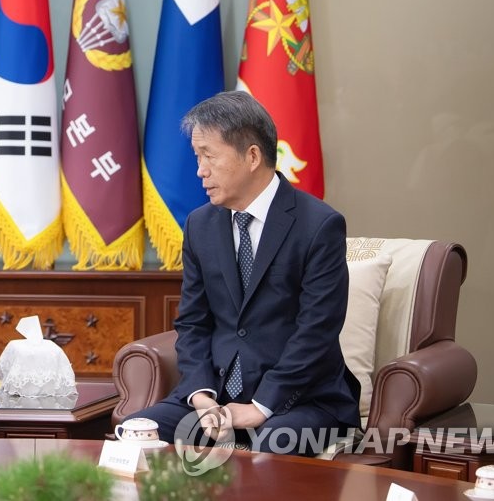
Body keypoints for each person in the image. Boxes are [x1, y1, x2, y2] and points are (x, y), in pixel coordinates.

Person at [132, 91, 360, 454]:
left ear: (252, 156)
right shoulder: (200, 225)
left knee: (270, 446)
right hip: (216, 397)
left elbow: (317, 330)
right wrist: (202, 396)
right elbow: (193, 322)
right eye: (197, 156)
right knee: (136, 434)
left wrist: (259, 407)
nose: (199, 170)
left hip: (299, 400)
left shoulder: (319, 225)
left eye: (209, 156)